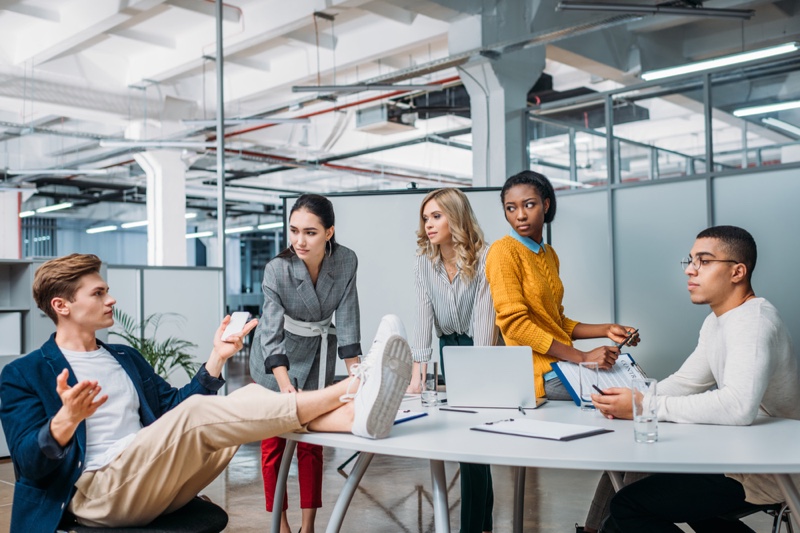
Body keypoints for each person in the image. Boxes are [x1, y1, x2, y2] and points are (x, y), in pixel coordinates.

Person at [0, 253, 413, 533]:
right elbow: (29, 464)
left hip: (156, 479)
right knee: (205, 410)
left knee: (251, 394)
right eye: (99, 293)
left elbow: (171, 413)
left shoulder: (122, 357)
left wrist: (217, 358)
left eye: (107, 290)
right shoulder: (23, 373)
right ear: (62, 305)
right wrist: (63, 423)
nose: (112, 299)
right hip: (97, 495)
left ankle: (354, 417)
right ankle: (354, 386)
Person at [592, 226, 800, 532]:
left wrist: (645, 404)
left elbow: (737, 406)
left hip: (768, 470)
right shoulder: (717, 321)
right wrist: (626, 399)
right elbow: (686, 382)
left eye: (703, 261)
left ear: (737, 272)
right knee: (654, 500)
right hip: (737, 455)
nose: (690, 270)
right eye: (690, 261)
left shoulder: (753, 323)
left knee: (628, 506)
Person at [249, 193, 361, 533]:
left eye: (310, 232)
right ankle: (280, 525)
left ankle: (308, 526)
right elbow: (270, 333)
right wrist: (285, 387)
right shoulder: (276, 270)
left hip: (318, 355)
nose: (299, 240)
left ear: (329, 232)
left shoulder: (345, 261)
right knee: (274, 444)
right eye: (294, 230)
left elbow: (348, 319)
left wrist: (358, 375)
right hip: (275, 360)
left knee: (312, 444)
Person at [485, 170, 638, 401]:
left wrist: (606, 329)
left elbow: (556, 322)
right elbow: (515, 326)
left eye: (528, 205)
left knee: (639, 389)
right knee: (630, 397)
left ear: (545, 205)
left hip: (567, 366)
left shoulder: (549, 255)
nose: (520, 215)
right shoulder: (502, 252)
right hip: (544, 374)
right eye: (511, 208)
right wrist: (583, 357)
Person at [408, 188, 498, 533]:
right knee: (469, 442)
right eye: (426, 217)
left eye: (437, 216)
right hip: (449, 348)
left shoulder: (486, 257)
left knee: (473, 441)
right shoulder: (424, 262)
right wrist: (419, 373)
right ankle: (482, 524)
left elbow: (484, 319)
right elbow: (422, 316)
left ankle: (472, 527)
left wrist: (478, 370)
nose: (429, 224)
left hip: (481, 349)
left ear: (456, 217)